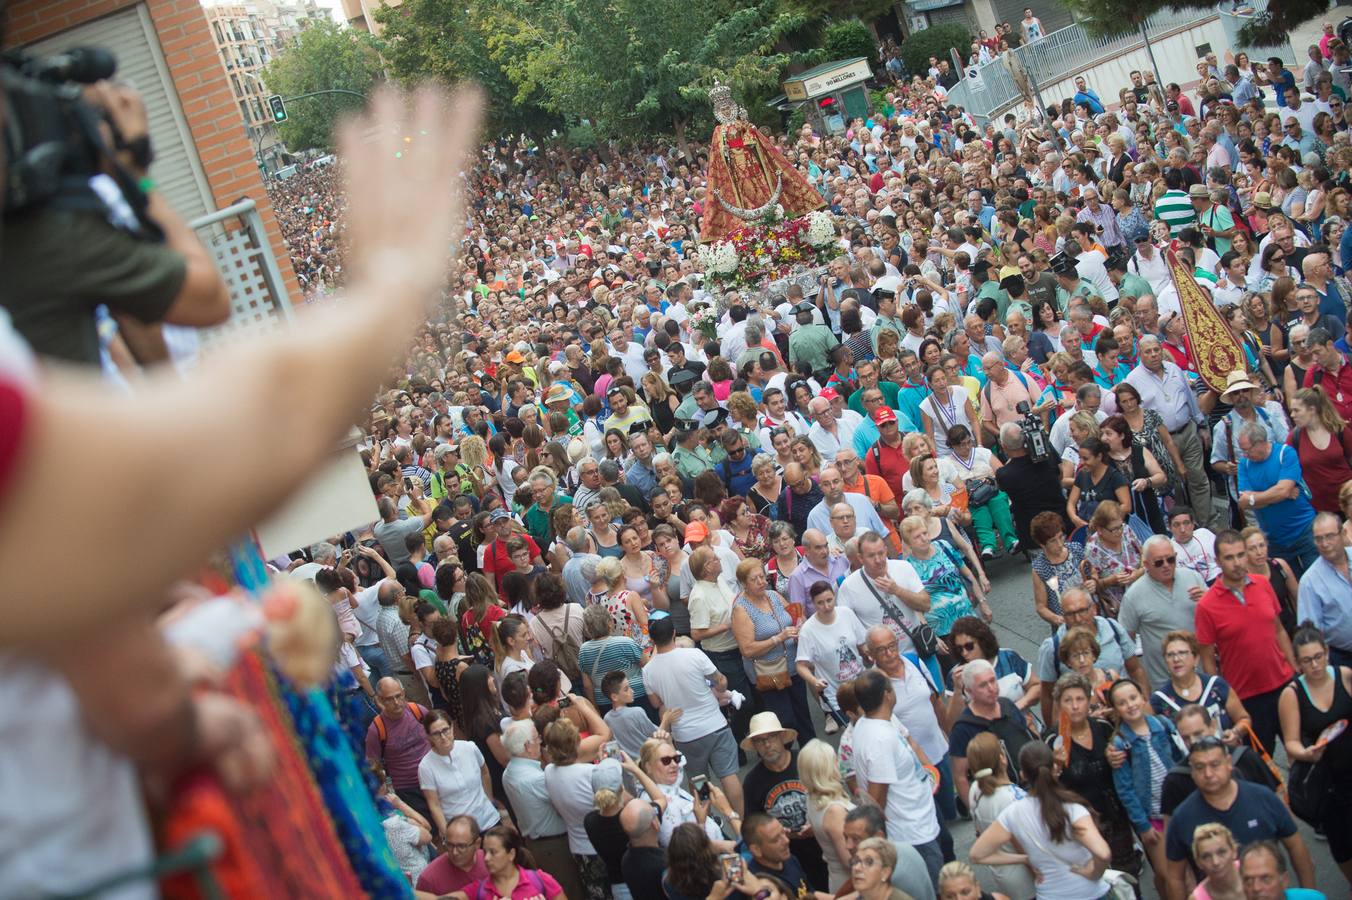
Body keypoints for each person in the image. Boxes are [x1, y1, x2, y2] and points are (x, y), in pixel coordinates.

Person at [1163, 738, 1316, 900]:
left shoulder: (1263, 797)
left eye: (1215, 764)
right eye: (1200, 767)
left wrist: (1308, 893)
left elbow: (1296, 847)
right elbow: (1175, 877)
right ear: (1192, 771)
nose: (1208, 774)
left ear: (1229, 763)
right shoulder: (1182, 817)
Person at [1195, 530, 1298, 755]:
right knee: (1262, 763)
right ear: (1218, 561)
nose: (1237, 562)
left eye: (1241, 555)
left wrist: (1294, 670)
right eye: (1229, 558)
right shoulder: (1207, 606)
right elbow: (1208, 661)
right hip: (1245, 697)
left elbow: (1279, 630)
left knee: (1299, 752)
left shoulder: (1262, 584)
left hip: (1283, 684)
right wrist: (1222, 700)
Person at [969, 741, 1114, 898]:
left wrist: (1025, 858)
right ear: (1054, 768)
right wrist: (1094, 873)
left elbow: (977, 854)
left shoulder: (1012, 813)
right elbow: (1103, 853)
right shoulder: (1072, 808)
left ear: (1023, 774)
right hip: (1090, 892)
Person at [641, 615, 745, 816]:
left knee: (698, 782)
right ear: (674, 634)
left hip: (685, 735)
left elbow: (656, 703)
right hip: (715, 725)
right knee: (728, 775)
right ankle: (740, 819)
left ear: (652, 640)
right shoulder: (694, 655)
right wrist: (721, 685)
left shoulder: (648, 671)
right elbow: (720, 681)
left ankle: (704, 822)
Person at [849, 668, 944, 887]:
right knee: (934, 888)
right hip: (912, 834)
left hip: (921, 819)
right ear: (887, 695)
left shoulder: (871, 723)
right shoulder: (880, 738)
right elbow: (876, 796)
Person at [1278, 624, 1352, 888]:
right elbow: (1291, 744)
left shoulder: (1345, 676)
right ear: (1297, 663)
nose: (1316, 665)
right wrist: (1307, 754)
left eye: (1319, 657)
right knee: (1343, 845)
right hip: (1327, 783)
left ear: (1328, 652)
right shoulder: (1292, 694)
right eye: (1307, 660)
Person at [1107, 678, 1185, 898]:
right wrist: (1142, 825)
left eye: (1133, 698)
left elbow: (1181, 760)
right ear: (1116, 710)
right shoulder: (1120, 744)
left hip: (1178, 809)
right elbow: (1125, 790)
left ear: (1143, 698)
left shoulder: (1163, 725)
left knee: (1185, 867)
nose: (1130, 705)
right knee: (1165, 872)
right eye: (1122, 702)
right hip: (1152, 816)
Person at [742, 712, 829, 891]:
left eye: (771, 737)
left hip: (824, 845)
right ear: (755, 746)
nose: (767, 745)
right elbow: (753, 825)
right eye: (760, 741)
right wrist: (780, 833)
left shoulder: (805, 761)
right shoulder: (752, 782)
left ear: (782, 737)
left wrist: (819, 823)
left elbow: (832, 796)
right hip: (787, 857)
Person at [500, 721, 587, 899]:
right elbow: (563, 805)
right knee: (570, 892)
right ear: (527, 746)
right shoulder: (535, 779)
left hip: (536, 843)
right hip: (554, 846)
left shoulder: (508, 773)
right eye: (536, 738)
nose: (540, 741)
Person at [732, 558, 816, 744]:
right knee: (784, 721)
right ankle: (783, 762)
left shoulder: (773, 596)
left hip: (793, 666)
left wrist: (800, 625)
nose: (761, 582)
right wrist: (778, 638)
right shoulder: (741, 609)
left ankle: (813, 759)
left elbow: (795, 615)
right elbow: (747, 649)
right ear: (744, 583)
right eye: (755, 579)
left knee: (804, 717)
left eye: (762, 576)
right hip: (769, 673)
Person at [1035, 588, 1144, 725]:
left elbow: (1135, 670)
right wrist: (1053, 735)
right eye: (1070, 614)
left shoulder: (1113, 628)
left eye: (1082, 611)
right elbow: (1047, 694)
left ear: (1093, 608)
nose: (1078, 619)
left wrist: (1145, 706)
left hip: (1125, 721)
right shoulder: (1053, 647)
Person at [945, 659, 1038, 806]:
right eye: (983, 685)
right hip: (1001, 801)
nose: (991, 688)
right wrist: (975, 812)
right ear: (969, 692)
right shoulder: (963, 728)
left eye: (993, 681)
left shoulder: (1007, 705)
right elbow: (960, 775)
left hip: (1034, 788)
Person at [1120, 536, 1207, 688]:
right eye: (1159, 562)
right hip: (1163, 684)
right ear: (1146, 564)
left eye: (1171, 560)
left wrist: (1207, 601)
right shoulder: (1133, 595)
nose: (1166, 565)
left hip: (1200, 676)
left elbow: (1215, 618)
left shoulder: (1192, 577)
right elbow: (1126, 641)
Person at [1236, 422, 1319, 573]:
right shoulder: (1244, 464)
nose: (1245, 455)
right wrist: (1278, 494)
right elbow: (1243, 502)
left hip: (1305, 531)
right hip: (1275, 540)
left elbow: (1283, 491)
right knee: (1291, 587)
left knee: (1318, 580)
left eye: (1247, 450)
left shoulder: (1285, 453)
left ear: (1261, 443)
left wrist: (1254, 498)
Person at [837, 531, 932, 660]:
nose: (878, 560)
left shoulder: (903, 567)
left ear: (886, 550)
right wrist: (865, 648)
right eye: (871, 556)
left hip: (920, 650)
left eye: (881, 553)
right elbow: (845, 626)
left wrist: (897, 590)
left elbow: (926, 604)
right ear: (860, 558)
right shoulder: (848, 586)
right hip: (885, 661)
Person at [796, 580, 868, 733]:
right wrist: (814, 681)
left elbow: (862, 644)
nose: (827, 606)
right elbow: (801, 665)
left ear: (834, 597)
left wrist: (869, 655)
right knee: (854, 734)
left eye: (829, 600)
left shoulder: (846, 614)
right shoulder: (808, 630)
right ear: (813, 604)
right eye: (820, 603)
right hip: (837, 695)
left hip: (861, 684)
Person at [1151, 632, 1251, 739]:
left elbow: (1244, 719)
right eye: (1170, 655)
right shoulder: (1159, 699)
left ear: (1196, 658)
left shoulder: (1216, 685)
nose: (1176, 659)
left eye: (1182, 653)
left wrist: (1235, 733)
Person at [366, 676, 434, 822]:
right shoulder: (376, 730)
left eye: (398, 696)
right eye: (390, 699)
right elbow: (373, 766)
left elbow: (436, 734)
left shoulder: (418, 711)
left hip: (436, 777)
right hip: (409, 789)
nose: (396, 703)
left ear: (403, 693)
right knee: (430, 830)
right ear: (380, 701)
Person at [994, 423, 1069, 549]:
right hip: (1061, 522)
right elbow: (1060, 475)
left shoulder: (1004, 474)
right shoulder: (1047, 458)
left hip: (1033, 534)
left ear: (1003, 446)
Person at [443, 824, 567, 900]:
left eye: (493, 852)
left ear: (511, 854)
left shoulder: (540, 881)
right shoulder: (479, 891)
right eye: (485, 852)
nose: (486, 858)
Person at [947, 616, 1040, 715]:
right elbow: (952, 725)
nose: (964, 653)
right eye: (959, 649)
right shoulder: (956, 676)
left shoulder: (1008, 658)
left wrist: (1016, 708)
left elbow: (1037, 686)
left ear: (982, 641)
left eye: (969, 646)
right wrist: (957, 689)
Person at [841, 805, 937, 900]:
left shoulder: (893, 874)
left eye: (856, 839)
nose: (848, 846)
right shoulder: (902, 848)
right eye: (846, 837)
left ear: (879, 836)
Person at [799, 738, 856, 892]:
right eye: (834, 760)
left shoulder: (812, 798)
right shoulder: (834, 811)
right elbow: (849, 861)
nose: (838, 763)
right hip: (851, 885)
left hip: (838, 880)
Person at [1297, 512, 1352, 667]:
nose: (1325, 543)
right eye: (1319, 539)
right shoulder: (1310, 582)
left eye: (1329, 536)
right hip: (1343, 659)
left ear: (1343, 533)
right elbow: (1311, 634)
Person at [741, 812, 833, 899]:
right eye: (776, 839)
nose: (786, 841)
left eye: (783, 833)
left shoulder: (789, 859)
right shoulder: (757, 882)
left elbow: (809, 893)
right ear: (756, 850)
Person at [1029, 512, 1093, 630]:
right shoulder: (1040, 568)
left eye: (1061, 536)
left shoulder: (1076, 549)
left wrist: (1094, 583)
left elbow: (1093, 575)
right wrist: (1057, 619)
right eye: (1052, 541)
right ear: (1042, 544)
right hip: (1067, 626)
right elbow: (1041, 607)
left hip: (1090, 614)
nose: (1059, 544)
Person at [417, 815, 491, 895]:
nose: (455, 852)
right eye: (450, 845)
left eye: (462, 846)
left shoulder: (491, 863)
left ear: (477, 844)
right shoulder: (429, 879)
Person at [1187, 823, 1244, 900]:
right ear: (1198, 863)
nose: (1215, 862)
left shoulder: (1255, 869)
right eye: (1206, 857)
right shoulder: (1197, 898)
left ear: (1234, 851)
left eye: (1222, 852)